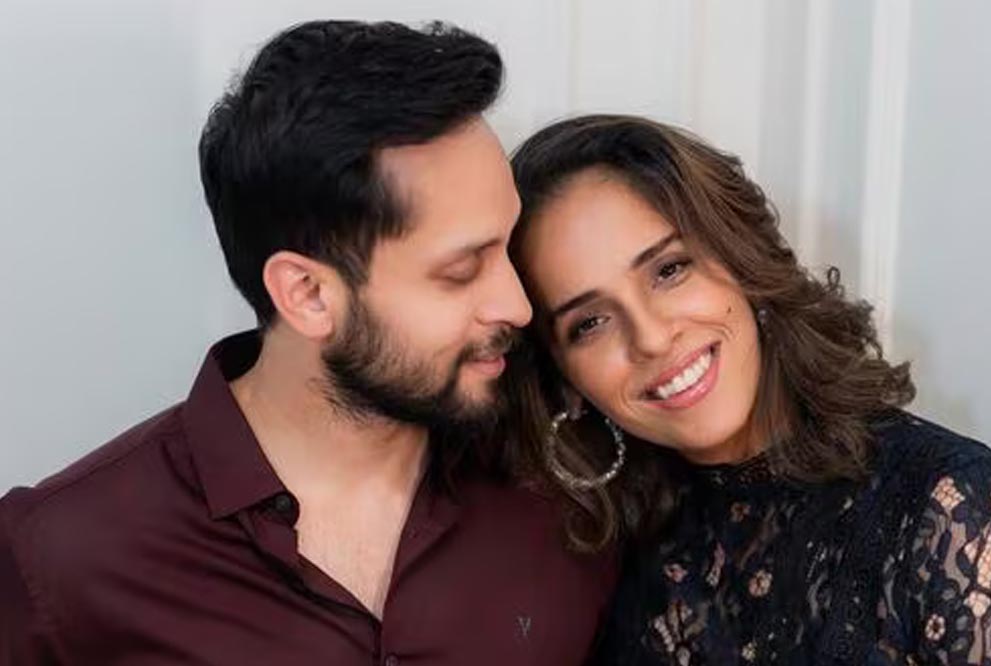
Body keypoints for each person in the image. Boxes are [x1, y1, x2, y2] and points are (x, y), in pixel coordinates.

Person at [0, 22, 615, 665]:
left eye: (509, 246)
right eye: (461, 271)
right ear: (308, 294)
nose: (517, 305)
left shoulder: (572, 492)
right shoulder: (58, 558)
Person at [503, 114, 991, 664]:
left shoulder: (946, 505)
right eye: (590, 323)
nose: (651, 338)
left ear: (741, 259)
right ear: (565, 381)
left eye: (669, 270)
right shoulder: (610, 561)